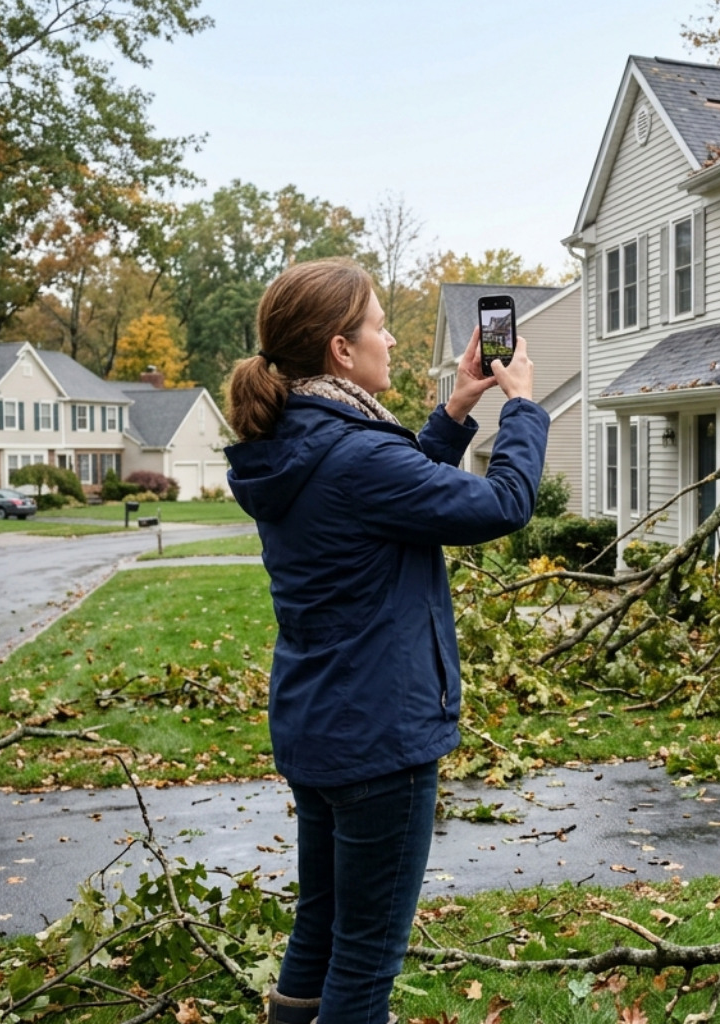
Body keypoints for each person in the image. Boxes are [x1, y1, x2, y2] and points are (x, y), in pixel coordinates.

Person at [223, 257, 548, 1024]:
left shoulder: (299, 444)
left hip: (321, 726)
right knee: (364, 964)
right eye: (377, 324)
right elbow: (504, 503)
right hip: (380, 739)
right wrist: (522, 408)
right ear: (341, 349)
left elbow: (387, 497)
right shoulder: (354, 452)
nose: (392, 339)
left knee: (321, 929)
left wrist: (458, 408)